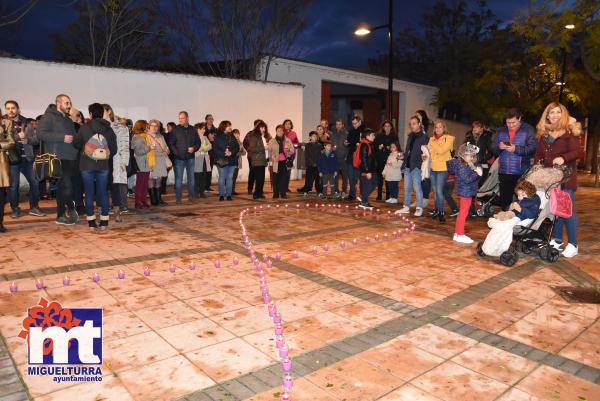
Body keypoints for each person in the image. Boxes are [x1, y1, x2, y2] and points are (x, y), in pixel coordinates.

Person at [534, 102, 580, 258]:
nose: (554, 115)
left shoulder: (570, 131)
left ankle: (573, 244)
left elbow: (577, 152)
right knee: (556, 209)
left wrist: (563, 157)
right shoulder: (544, 133)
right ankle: (558, 240)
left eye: (557, 112)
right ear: (546, 115)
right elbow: (539, 154)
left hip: (566, 177)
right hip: (550, 178)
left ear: (563, 114)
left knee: (568, 211)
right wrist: (537, 166)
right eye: (551, 112)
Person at [73, 103, 117, 231]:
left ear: (90, 114)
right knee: (103, 192)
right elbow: (114, 149)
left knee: (89, 193)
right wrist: (104, 155)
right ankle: (104, 221)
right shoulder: (109, 129)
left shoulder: (84, 128)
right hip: (103, 165)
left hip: (86, 165)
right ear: (103, 113)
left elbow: (76, 144)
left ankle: (91, 222)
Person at [37, 94, 79, 225]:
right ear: (58, 103)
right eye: (67, 103)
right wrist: (62, 138)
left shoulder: (67, 119)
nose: (69, 105)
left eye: (69, 103)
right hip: (57, 157)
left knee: (62, 188)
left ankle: (60, 216)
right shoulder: (48, 116)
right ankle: (71, 208)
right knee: (67, 185)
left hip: (71, 157)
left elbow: (72, 137)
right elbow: (40, 134)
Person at [3, 100, 45, 218]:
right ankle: (15, 209)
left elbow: (36, 140)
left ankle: (34, 207)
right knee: (14, 186)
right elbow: (3, 141)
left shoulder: (27, 122)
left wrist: (27, 140)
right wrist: (17, 137)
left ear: (18, 109)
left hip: (27, 159)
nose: (11, 110)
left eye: (13, 108)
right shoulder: (3, 123)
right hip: (12, 160)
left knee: (35, 182)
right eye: (8, 108)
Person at [491, 108, 537, 211]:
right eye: (508, 122)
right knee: (505, 200)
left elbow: (532, 148)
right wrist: (499, 147)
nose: (510, 125)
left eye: (513, 123)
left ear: (519, 119)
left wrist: (516, 149)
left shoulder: (528, 129)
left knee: (520, 200)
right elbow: (493, 148)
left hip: (521, 172)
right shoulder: (501, 130)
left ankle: (517, 222)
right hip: (504, 171)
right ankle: (505, 220)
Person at [447, 143, 483, 244]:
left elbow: (473, 169)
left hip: (466, 191)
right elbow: (467, 179)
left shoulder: (466, 164)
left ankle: (457, 234)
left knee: (463, 213)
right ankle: (460, 234)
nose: (472, 158)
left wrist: (476, 169)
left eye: (473, 156)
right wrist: (476, 173)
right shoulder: (462, 166)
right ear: (463, 155)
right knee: (463, 213)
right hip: (465, 191)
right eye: (469, 155)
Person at [396, 116, 429, 216]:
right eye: (411, 124)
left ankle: (419, 208)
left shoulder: (424, 137)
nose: (412, 125)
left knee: (417, 188)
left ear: (419, 124)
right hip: (407, 166)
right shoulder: (410, 136)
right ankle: (406, 207)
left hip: (416, 167)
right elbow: (408, 151)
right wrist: (403, 156)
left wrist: (424, 158)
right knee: (407, 188)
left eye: (414, 123)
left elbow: (426, 152)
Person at [103, 104, 130, 215]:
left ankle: (121, 206)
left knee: (119, 183)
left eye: (103, 111)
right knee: (105, 184)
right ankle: (107, 206)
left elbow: (125, 145)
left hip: (117, 158)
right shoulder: (99, 127)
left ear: (109, 111)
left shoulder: (120, 127)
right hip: (104, 159)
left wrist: (124, 161)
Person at [168, 111, 200, 204]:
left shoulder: (193, 129)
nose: (181, 120)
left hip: (190, 158)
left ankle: (191, 197)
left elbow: (198, 142)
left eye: (182, 118)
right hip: (179, 159)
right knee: (178, 179)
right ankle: (178, 198)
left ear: (187, 118)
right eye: (179, 118)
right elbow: (171, 143)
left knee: (191, 178)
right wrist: (176, 153)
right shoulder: (175, 130)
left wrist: (194, 148)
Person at [428, 120, 455, 224]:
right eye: (436, 127)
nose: (437, 129)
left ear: (444, 128)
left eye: (440, 127)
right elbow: (428, 151)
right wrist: (425, 155)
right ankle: (437, 210)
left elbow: (441, 150)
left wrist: (433, 143)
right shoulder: (431, 139)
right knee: (435, 192)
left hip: (443, 168)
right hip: (432, 168)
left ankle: (441, 213)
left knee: (439, 191)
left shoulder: (449, 138)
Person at [213, 120, 240, 201]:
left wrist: (231, 152)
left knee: (230, 178)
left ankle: (228, 195)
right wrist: (224, 153)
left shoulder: (232, 136)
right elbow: (215, 149)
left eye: (230, 125)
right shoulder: (218, 137)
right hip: (222, 160)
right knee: (222, 177)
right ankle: (221, 194)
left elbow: (237, 147)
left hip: (232, 160)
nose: (230, 127)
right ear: (224, 127)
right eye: (229, 126)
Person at [131, 120, 153, 209]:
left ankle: (143, 201)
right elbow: (138, 152)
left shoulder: (143, 136)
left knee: (145, 184)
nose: (148, 128)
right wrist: (149, 148)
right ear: (142, 127)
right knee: (140, 184)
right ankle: (138, 202)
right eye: (146, 126)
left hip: (145, 163)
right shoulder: (137, 138)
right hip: (140, 164)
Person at [268, 124, 294, 199]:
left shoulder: (287, 140)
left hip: (284, 162)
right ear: (276, 131)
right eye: (278, 130)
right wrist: (272, 156)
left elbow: (292, 150)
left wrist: (288, 150)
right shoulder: (272, 141)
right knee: (275, 178)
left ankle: (283, 193)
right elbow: (269, 152)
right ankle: (275, 193)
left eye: (281, 130)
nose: (279, 132)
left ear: (283, 132)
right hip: (275, 162)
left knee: (284, 178)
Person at [147, 119, 170, 206]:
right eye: (152, 126)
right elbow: (149, 151)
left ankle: (159, 199)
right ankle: (153, 200)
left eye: (156, 126)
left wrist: (167, 151)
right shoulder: (147, 137)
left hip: (161, 162)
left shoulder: (161, 136)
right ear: (149, 126)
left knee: (159, 180)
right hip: (152, 161)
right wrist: (162, 153)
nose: (154, 128)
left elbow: (166, 147)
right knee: (151, 180)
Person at [374, 120, 396, 201]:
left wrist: (389, 148)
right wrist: (378, 148)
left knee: (388, 179)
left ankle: (388, 196)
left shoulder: (394, 136)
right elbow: (374, 147)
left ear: (391, 127)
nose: (387, 128)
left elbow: (397, 148)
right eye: (385, 126)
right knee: (380, 179)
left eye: (388, 126)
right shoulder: (379, 136)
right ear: (383, 127)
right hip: (380, 159)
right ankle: (379, 195)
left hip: (389, 160)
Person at [0, 120, 16, 232]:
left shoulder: (5, 124)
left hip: (1, 164)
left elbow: (11, 142)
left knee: (1, 197)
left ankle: (0, 223)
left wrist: (8, 127)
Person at [247, 121, 269, 199]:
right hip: (257, 160)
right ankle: (256, 194)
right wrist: (264, 148)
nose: (263, 129)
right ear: (258, 128)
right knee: (259, 178)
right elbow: (252, 149)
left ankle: (259, 193)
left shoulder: (262, 137)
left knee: (261, 179)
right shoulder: (254, 137)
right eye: (262, 127)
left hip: (262, 160)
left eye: (264, 127)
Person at [345, 115, 365, 201]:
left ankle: (362, 195)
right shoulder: (351, 131)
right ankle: (352, 194)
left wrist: (359, 144)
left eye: (356, 123)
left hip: (359, 157)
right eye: (353, 124)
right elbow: (348, 141)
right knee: (351, 175)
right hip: (351, 156)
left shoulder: (364, 131)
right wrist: (346, 143)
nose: (354, 125)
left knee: (359, 177)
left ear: (360, 122)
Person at [298, 131, 322, 196]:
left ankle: (319, 191)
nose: (315, 137)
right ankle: (306, 190)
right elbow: (307, 156)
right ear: (310, 137)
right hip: (310, 165)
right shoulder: (308, 145)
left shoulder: (319, 145)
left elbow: (320, 155)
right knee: (309, 179)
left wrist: (318, 163)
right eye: (313, 136)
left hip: (318, 165)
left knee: (318, 179)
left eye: (316, 136)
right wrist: (312, 163)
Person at [357, 129, 376, 209]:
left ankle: (363, 198)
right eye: (372, 135)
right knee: (370, 185)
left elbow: (371, 157)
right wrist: (367, 171)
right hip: (366, 170)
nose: (374, 136)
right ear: (367, 136)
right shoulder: (365, 145)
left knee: (372, 184)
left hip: (369, 169)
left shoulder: (369, 144)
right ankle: (364, 201)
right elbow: (364, 159)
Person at [244, 119, 263, 195]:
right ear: (255, 125)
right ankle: (250, 188)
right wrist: (251, 151)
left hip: (261, 157)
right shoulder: (250, 133)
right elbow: (245, 143)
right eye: (258, 125)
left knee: (260, 174)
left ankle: (259, 189)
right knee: (253, 173)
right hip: (252, 157)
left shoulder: (263, 134)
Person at [331, 119, 348, 198]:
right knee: (335, 175)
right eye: (337, 124)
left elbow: (348, 146)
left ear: (343, 125)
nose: (338, 126)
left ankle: (344, 191)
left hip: (344, 158)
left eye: (339, 124)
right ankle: (336, 191)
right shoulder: (333, 134)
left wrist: (346, 156)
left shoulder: (346, 134)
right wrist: (333, 149)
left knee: (345, 175)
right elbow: (331, 145)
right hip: (335, 158)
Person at [194, 123, 211, 199]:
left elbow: (210, 146)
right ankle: (196, 192)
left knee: (203, 175)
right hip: (197, 159)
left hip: (204, 158)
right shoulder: (194, 138)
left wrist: (202, 149)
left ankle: (202, 192)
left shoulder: (205, 137)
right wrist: (201, 149)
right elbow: (194, 148)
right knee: (197, 176)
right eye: (202, 129)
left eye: (204, 129)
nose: (204, 130)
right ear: (198, 129)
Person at [204, 114, 217, 192]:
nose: (211, 120)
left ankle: (207, 186)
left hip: (212, 152)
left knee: (210, 169)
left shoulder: (216, 130)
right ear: (206, 120)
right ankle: (202, 186)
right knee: (203, 169)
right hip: (203, 152)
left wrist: (213, 139)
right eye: (209, 119)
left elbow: (217, 140)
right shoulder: (202, 129)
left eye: (212, 119)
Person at [231, 129, 245, 195]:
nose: (237, 135)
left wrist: (241, 150)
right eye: (235, 134)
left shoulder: (240, 142)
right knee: (231, 177)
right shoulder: (230, 142)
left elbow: (244, 153)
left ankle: (232, 190)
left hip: (238, 162)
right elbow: (232, 153)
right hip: (232, 162)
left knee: (234, 177)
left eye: (238, 134)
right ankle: (229, 190)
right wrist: (238, 151)